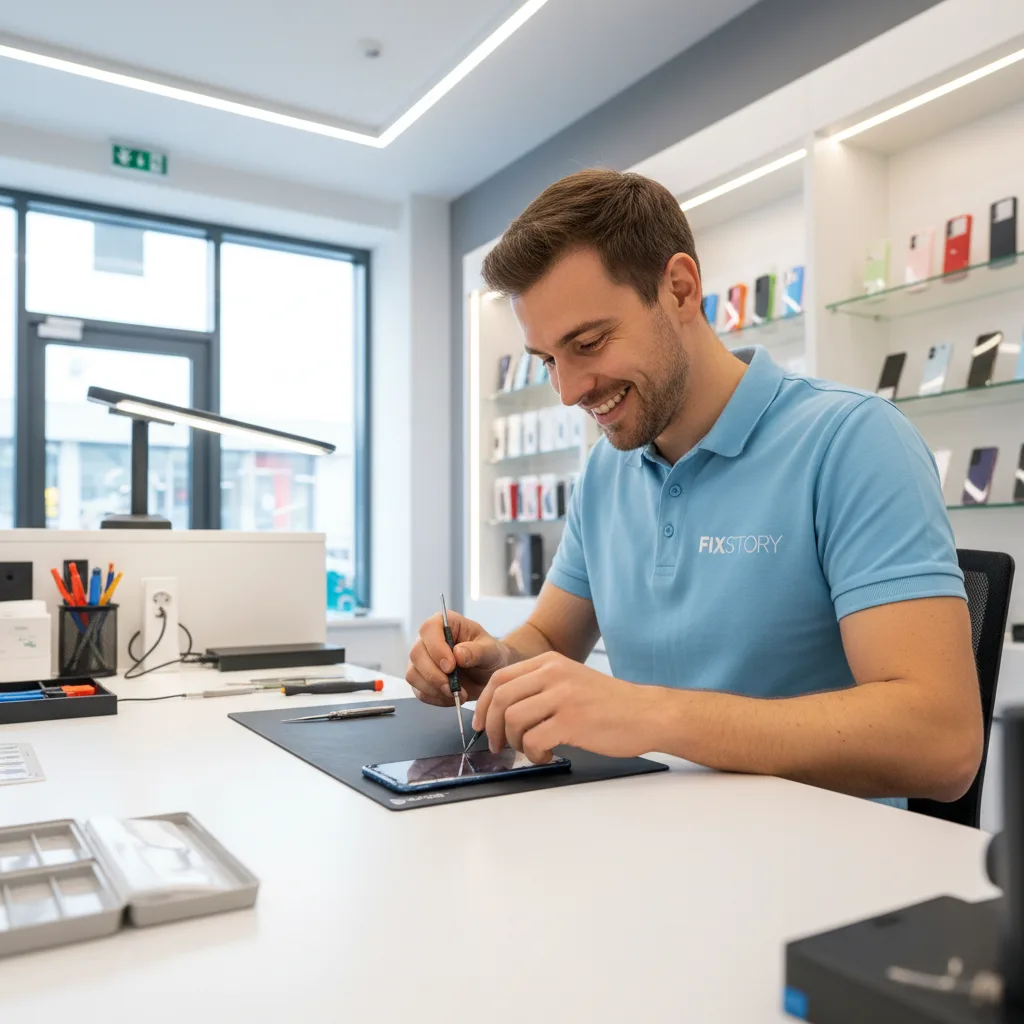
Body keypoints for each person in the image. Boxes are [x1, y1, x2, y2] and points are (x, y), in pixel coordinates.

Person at [407, 169, 981, 805]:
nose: (568, 391)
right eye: (548, 360)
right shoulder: (606, 470)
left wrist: (652, 716)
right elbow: (547, 640)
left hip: (819, 868)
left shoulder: (852, 441)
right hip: (653, 841)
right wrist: (497, 666)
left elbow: (942, 744)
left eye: (589, 343)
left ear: (680, 290)